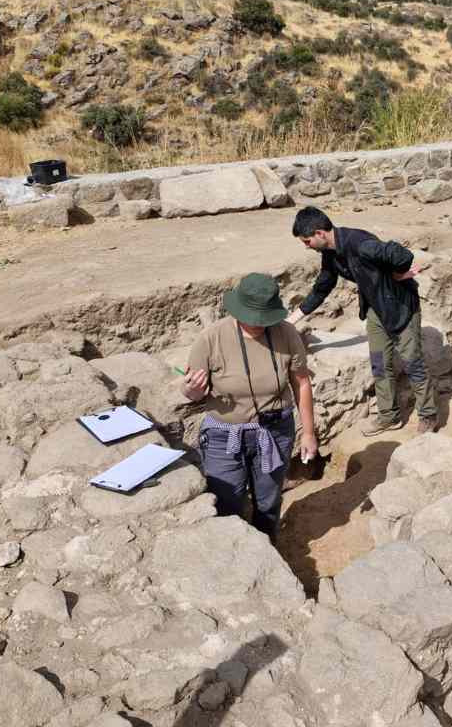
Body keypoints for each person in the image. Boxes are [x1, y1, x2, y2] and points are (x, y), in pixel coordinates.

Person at [181, 273, 317, 541]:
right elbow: (190, 391)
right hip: (224, 435)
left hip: (275, 430)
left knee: (268, 502)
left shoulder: (287, 333)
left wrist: (310, 433)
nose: (256, 324)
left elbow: (301, 383)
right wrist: (193, 390)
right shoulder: (211, 338)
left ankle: (269, 548)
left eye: (263, 318)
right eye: (250, 317)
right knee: (227, 503)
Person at [288, 206, 439, 436]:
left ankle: (428, 415)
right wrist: (292, 320)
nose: (306, 246)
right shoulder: (330, 253)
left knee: (412, 362)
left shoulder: (360, 244)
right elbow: (322, 287)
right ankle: (389, 416)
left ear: (320, 233)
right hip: (375, 310)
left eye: (307, 241)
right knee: (379, 362)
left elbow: (403, 255)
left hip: (401, 308)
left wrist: (398, 273)